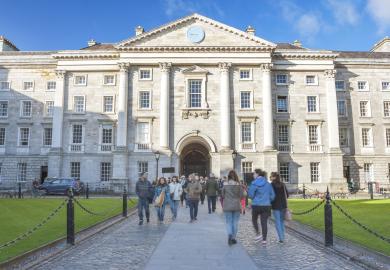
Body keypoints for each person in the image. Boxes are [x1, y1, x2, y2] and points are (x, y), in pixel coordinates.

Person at [248, 169, 275, 245]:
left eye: (254, 174)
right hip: (266, 205)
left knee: (254, 219)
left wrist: (254, 197)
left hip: (256, 205)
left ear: (257, 174)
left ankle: (258, 233)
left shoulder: (254, 184)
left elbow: (250, 195)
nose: (253, 175)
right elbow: (273, 196)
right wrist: (267, 199)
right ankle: (264, 240)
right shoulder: (268, 184)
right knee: (264, 222)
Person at [222, 170, 245, 246]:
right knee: (235, 222)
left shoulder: (225, 184)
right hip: (236, 205)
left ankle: (229, 234)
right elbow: (242, 196)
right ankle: (233, 238)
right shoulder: (239, 185)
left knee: (229, 222)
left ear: (228, 176)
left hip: (227, 205)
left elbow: (222, 195)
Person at [270, 172, 289, 243]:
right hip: (283, 205)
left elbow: (270, 196)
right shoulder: (283, 184)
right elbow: (287, 195)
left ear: (274, 177)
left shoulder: (271, 185)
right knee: (281, 221)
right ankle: (282, 237)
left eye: (271, 176)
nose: (270, 177)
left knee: (277, 221)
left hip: (275, 205)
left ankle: (281, 238)